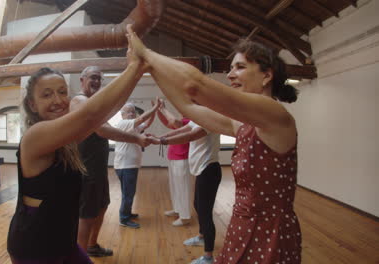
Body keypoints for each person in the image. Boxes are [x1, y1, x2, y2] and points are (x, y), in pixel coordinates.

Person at [126, 25, 301, 264]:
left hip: (270, 232)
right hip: (243, 224)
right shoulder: (242, 123)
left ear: (267, 76)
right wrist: (149, 69)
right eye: (231, 68)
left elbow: (194, 86)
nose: (230, 75)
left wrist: (145, 53)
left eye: (239, 67)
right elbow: (189, 108)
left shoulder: (273, 113)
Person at [7, 40, 148, 263]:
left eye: (62, 92)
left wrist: (137, 72)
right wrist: (133, 68)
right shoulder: (35, 136)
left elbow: (102, 115)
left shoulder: (65, 139)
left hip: (62, 240)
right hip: (35, 245)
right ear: (32, 105)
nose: (58, 100)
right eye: (46, 95)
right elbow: (91, 116)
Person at [70, 66, 150, 257]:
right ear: (82, 80)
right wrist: (137, 139)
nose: (97, 82)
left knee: (102, 206)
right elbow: (102, 130)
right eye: (93, 78)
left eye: (99, 79)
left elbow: (115, 105)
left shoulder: (95, 104)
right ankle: (79, 257)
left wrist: (132, 78)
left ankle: (92, 245)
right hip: (86, 169)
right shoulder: (79, 100)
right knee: (87, 214)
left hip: (98, 169)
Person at [149, 119, 221, 264]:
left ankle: (208, 257)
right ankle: (201, 237)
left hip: (209, 170)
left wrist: (161, 141)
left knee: (205, 212)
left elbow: (189, 136)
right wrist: (159, 137)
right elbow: (180, 130)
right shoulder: (197, 118)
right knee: (197, 205)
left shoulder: (209, 119)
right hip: (202, 170)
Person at [113, 101, 158, 228]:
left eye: (133, 111)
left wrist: (155, 112)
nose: (132, 113)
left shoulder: (133, 126)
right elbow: (142, 118)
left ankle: (127, 213)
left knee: (129, 193)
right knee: (128, 193)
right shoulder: (124, 124)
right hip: (125, 166)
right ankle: (124, 218)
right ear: (122, 114)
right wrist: (154, 108)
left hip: (130, 165)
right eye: (129, 111)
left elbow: (147, 122)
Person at [153, 99, 192, 226]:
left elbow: (175, 122)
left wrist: (163, 108)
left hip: (183, 157)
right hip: (174, 157)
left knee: (183, 188)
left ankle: (185, 216)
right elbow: (167, 121)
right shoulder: (183, 121)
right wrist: (158, 110)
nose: (180, 109)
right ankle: (177, 209)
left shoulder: (190, 122)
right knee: (175, 187)